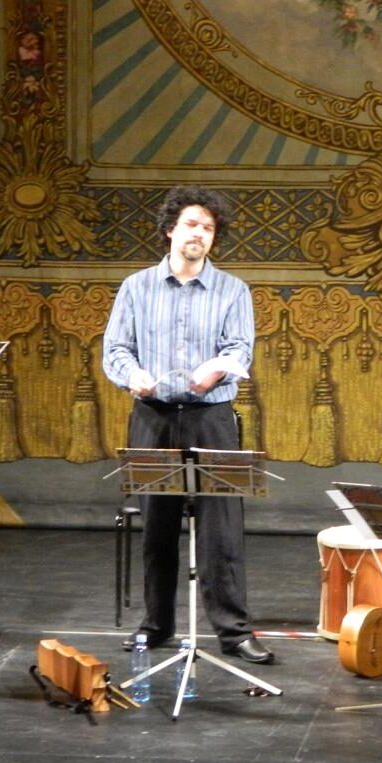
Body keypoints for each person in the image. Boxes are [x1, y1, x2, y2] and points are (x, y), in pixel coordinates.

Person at [102, 187, 274, 665]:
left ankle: (234, 632)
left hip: (211, 418)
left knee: (222, 528)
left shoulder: (233, 290)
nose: (199, 233)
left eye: (209, 228)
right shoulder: (136, 287)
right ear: (170, 229)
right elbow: (116, 349)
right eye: (192, 224)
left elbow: (240, 347)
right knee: (157, 526)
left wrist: (216, 369)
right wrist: (133, 376)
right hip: (154, 417)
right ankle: (157, 625)